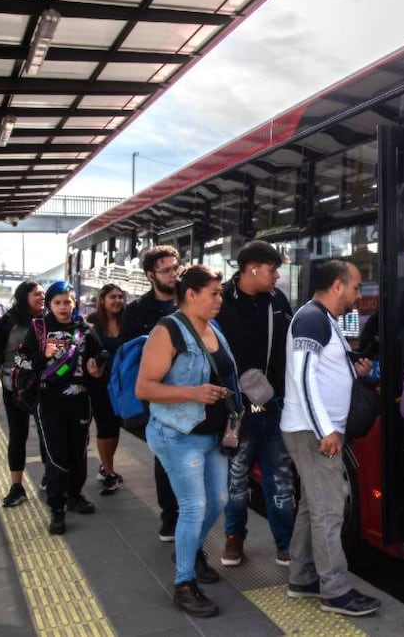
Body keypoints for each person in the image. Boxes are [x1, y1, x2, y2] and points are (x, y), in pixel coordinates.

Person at [136, 264, 239, 618]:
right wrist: (192, 392)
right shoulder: (167, 332)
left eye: (221, 293)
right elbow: (144, 388)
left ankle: (188, 548)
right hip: (178, 434)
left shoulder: (214, 329)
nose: (220, 299)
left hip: (213, 433)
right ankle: (184, 582)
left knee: (219, 500)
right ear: (191, 294)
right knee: (193, 507)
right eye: (214, 293)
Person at [281, 259, 380, 617]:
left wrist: (353, 370)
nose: (358, 294)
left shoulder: (323, 319)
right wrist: (326, 430)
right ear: (337, 286)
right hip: (312, 431)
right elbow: (303, 379)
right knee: (328, 511)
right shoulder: (312, 319)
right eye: (355, 286)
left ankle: (302, 577)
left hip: (312, 428)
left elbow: (321, 370)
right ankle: (335, 591)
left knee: (312, 506)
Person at [216, 240, 296, 567]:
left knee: (280, 479)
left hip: (274, 405)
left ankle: (286, 544)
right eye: (272, 269)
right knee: (236, 480)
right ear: (252, 268)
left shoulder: (277, 300)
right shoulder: (220, 300)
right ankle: (234, 537)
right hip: (237, 410)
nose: (277, 275)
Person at [15, 281, 106, 535]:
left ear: (74, 302)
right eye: (57, 302)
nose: (63, 307)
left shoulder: (85, 330)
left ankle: (75, 495)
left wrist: (97, 368)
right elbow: (20, 360)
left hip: (80, 401)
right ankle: (57, 507)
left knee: (78, 451)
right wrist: (42, 355)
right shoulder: (40, 329)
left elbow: (99, 360)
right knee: (57, 454)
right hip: (49, 402)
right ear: (50, 305)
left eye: (67, 301)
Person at [120, 245, 182, 540]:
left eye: (176, 267)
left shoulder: (189, 302)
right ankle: (170, 516)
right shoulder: (136, 311)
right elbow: (128, 355)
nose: (174, 274)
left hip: (190, 392)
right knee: (166, 457)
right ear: (150, 275)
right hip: (157, 395)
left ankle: (187, 514)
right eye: (166, 270)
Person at [0, 281, 48, 507]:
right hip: (14, 387)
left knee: (46, 434)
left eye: (43, 294)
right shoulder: (8, 321)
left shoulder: (47, 319)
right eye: (36, 294)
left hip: (43, 386)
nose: (42, 297)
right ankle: (17, 486)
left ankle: (48, 477)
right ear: (24, 297)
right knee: (17, 435)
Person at [86, 283, 127, 494]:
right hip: (99, 383)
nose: (118, 300)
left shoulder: (127, 322)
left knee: (115, 425)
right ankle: (110, 472)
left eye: (120, 297)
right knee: (105, 426)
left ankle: (105, 466)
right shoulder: (91, 325)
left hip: (121, 384)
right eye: (113, 297)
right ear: (102, 300)